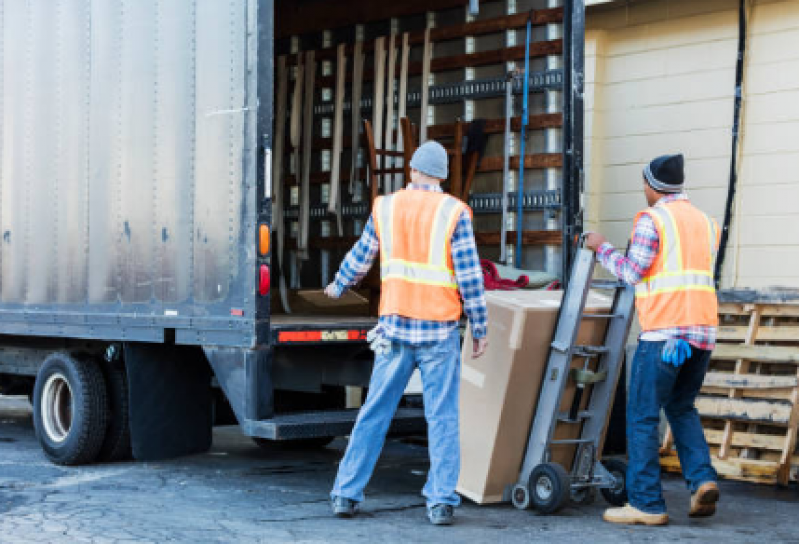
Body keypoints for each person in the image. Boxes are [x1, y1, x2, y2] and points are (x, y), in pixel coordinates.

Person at [325, 141, 488, 526]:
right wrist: (479, 326)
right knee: (442, 417)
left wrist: (337, 284)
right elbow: (469, 276)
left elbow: (362, 255)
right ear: (443, 176)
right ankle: (440, 501)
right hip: (439, 332)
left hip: (395, 329)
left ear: (412, 170)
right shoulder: (454, 212)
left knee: (374, 412)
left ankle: (346, 494)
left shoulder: (386, 206)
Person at [585, 154, 720, 526]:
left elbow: (633, 272)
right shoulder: (706, 223)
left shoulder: (653, 219)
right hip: (702, 334)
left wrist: (601, 248)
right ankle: (702, 480)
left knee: (643, 417)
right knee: (682, 409)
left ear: (652, 185)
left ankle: (646, 503)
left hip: (664, 335)